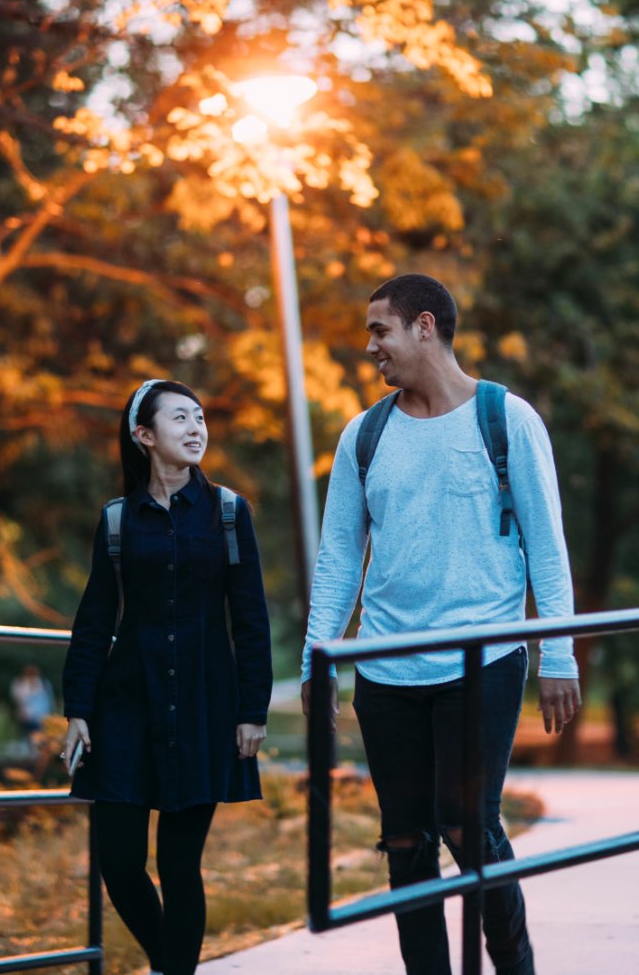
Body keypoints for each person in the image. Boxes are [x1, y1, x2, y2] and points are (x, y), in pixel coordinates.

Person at [300, 274, 581, 975]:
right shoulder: (363, 435)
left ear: (425, 327)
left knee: (470, 829)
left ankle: (514, 965)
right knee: (405, 843)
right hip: (386, 672)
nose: (370, 347)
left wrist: (559, 655)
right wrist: (318, 659)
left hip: (481, 661)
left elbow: (546, 546)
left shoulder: (505, 418)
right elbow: (338, 559)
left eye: (379, 330)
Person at [63, 379, 273, 975]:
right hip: (126, 707)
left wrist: (251, 710)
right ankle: (173, 964)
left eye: (201, 417)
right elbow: (94, 620)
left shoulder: (229, 513)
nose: (196, 428)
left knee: (180, 866)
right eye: (179, 418)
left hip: (206, 706)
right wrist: (77, 708)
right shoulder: (116, 521)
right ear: (144, 435)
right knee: (120, 861)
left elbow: (250, 617)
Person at [10, 663, 55, 752]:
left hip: (40, 718)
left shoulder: (44, 684)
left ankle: (36, 755)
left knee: (38, 739)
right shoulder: (21, 684)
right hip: (26, 718)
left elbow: (48, 701)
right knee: (28, 739)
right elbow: (18, 699)